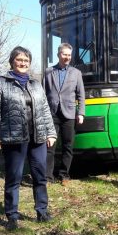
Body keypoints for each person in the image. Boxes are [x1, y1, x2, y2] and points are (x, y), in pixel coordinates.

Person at [0, 46, 57, 230]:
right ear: (12, 61)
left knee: (40, 176)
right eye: (19, 59)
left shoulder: (36, 84)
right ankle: (11, 215)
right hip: (13, 138)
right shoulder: (1, 83)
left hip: (38, 137)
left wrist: (51, 132)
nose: (23, 63)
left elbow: (44, 110)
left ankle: (42, 211)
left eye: (26, 60)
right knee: (14, 177)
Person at [43, 43, 85, 186]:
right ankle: (48, 177)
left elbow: (81, 95)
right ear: (58, 54)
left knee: (68, 146)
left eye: (69, 55)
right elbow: (43, 94)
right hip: (52, 114)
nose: (67, 57)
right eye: (64, 54)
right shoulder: (48, 72)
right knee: (50, 146)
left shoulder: (76, 73)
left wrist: (81, 113)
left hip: (69, 114)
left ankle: (64, 175)